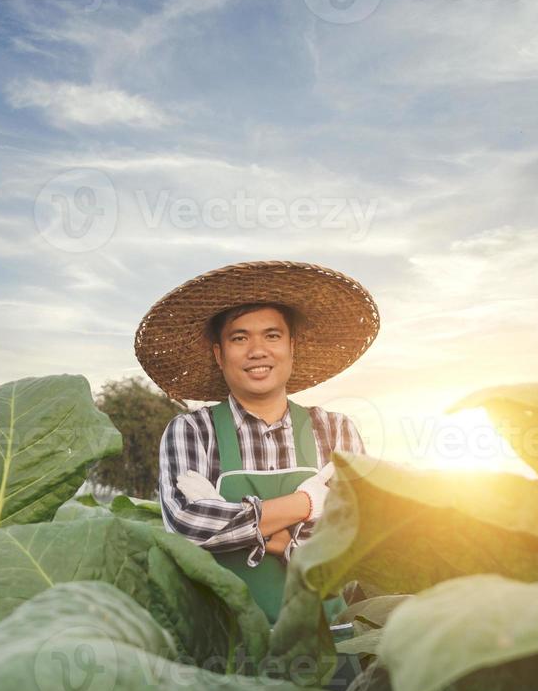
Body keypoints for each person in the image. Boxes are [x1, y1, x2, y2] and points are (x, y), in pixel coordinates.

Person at [134, 261, 381, 624]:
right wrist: (306, 503)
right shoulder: (192, 431)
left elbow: (355, 539)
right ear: (219, 354)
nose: (257, 350)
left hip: (327, 638)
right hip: (224, 642)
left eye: (272, 335)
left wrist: (267, 536)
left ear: (291, 347)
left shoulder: (336, 431)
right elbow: (188, 524)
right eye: (239, 338)